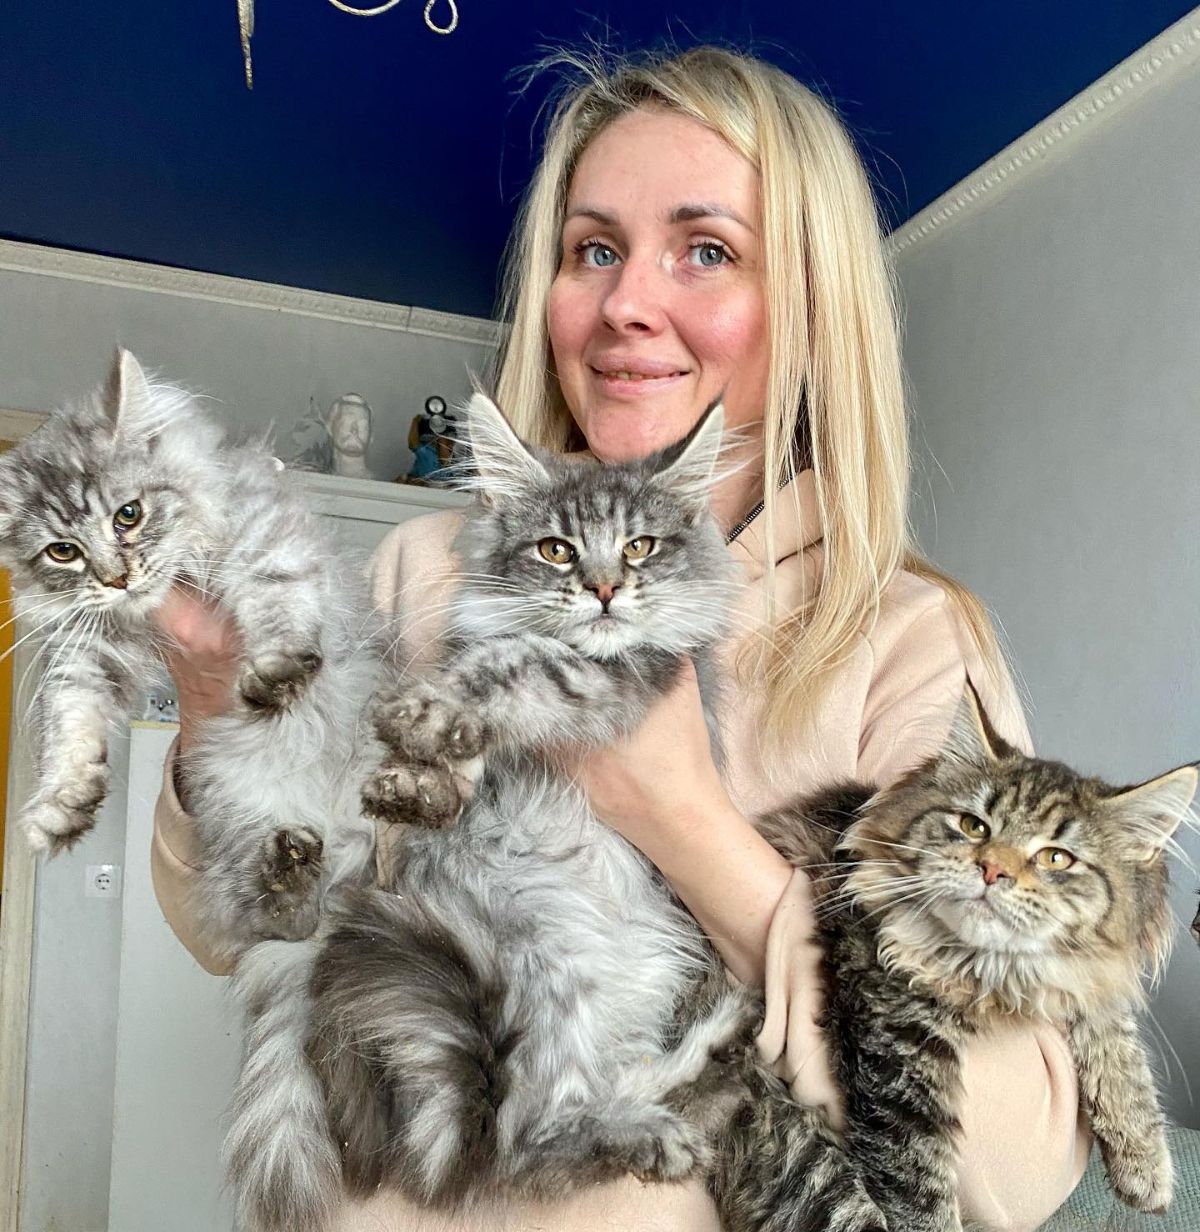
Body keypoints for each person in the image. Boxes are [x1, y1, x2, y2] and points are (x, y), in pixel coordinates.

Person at [152, 46, 1089, 1232]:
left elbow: (1013, 1165)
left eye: (707, 249)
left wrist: (686, 820)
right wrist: (218, 709)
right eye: (593, 249)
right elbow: (235, 933)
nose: (624, 303)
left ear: (808, 306)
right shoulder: (427, 567)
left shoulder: (908, 639)